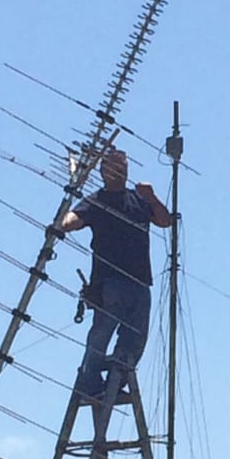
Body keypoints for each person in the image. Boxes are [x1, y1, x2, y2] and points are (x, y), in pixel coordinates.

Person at [61, 147, 172, 398]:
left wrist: (152, 197)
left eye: (122, 167)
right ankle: (90, 381)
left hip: (140, 283)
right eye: (112, 167)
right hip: (109, 283)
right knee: (101, 335)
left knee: (134, 341)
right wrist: (61, 223)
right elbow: (73, 220)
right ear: (102, 171)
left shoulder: (139, 200)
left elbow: (165, 221)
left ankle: (115, 381)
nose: (118, 172)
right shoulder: (96, 201)